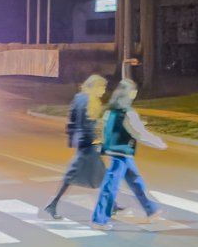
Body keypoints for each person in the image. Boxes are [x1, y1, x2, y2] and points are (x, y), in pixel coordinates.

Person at [91, 79, 166, 231]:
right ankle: (99, 220)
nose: (135, 93)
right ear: (129, 93)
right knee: (110, 186)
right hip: (121, 153)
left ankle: (151, 210)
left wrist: (101, 144)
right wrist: (158, 143)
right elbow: (139, 133)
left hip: (116, 151)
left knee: (136, 182)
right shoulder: (128, 113)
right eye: (133, 91)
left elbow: (102, 128)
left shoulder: (110, 111)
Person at [39, 75, 107, 220]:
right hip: (87, 143)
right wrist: (97, 143)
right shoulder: (91, 102)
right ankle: (52, 204)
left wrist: (73, 138)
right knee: (74, 174)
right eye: (102, 87)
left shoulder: (79, 98)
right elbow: (89, 126)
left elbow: (72, 120)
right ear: (95, 87)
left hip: (82, 141)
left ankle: (113, 205)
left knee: (101, 173)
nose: (104, 91)